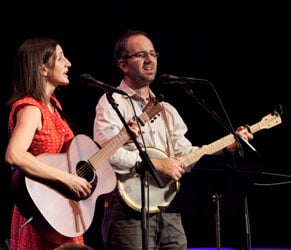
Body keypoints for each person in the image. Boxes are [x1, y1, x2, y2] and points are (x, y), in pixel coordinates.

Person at [93, 29, 254, 250]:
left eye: (152, 53)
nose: (150, 59)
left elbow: (185, 157)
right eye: (141, 54)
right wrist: (156, 164)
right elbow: (105, 155)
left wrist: (225, 148)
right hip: (128, 213)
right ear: (123, 64)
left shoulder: (166, 110)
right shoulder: (111, 103)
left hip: (169, 210)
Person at [5, 37, 93, 250]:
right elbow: (14, 155)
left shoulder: (55, 106)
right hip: (40, 214)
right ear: (43, 69)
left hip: (62, 211)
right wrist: (66, 179)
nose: (68, 64)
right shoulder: (31, 109)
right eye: (61, 58)